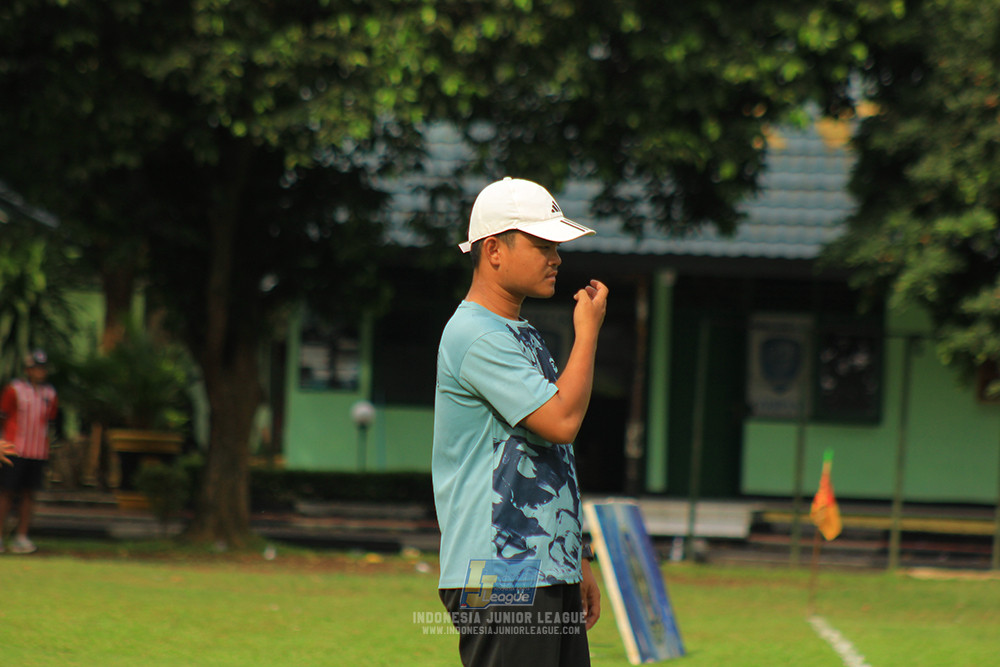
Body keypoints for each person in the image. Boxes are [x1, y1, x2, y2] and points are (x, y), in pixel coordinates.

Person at [433, 177, 609, 666]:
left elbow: (552, 457)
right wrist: (588, 333)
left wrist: (577, 554)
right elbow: (563, 421)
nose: (556, 257)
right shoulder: (475, 334)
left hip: (541, 566)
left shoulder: (517, 333)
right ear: (493, 250)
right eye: (541, 244)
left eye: (557, 246)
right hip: (502, 569)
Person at [0, 349, 59, 554]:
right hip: (14, 448)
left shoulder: (50, 394)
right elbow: (3, 415)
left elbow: (50, 422)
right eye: (36, 368)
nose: (39, 372)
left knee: (29, 494)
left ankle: (21, 537)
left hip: (37, 451)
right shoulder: (14, 389)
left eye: (42, 368)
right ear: (28, 370)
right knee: (6, 493)